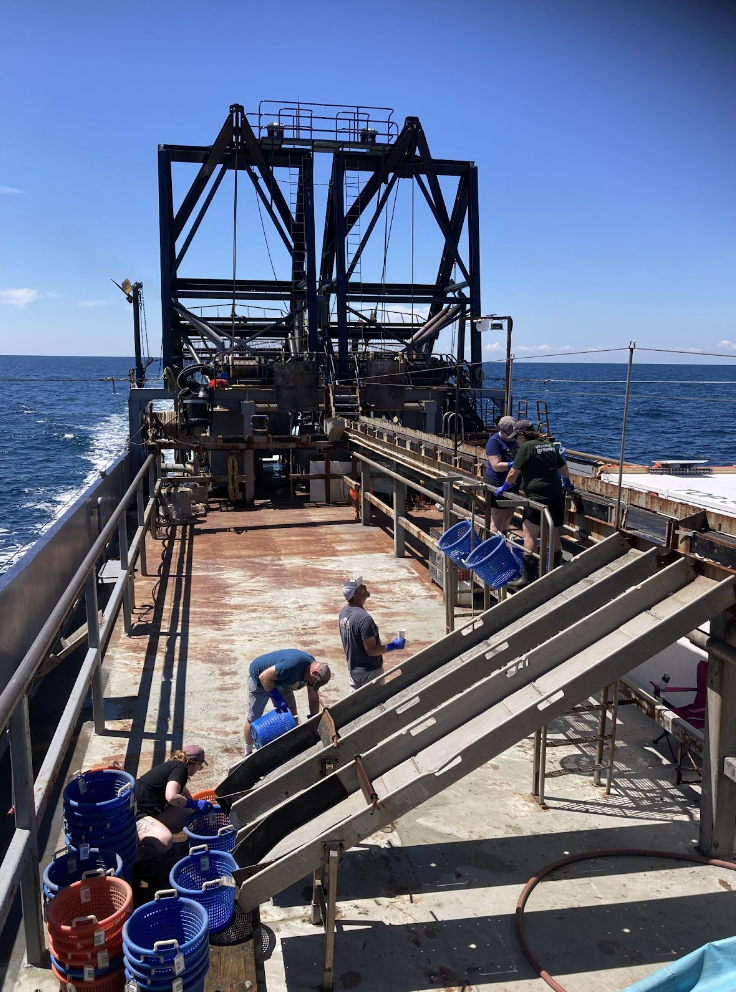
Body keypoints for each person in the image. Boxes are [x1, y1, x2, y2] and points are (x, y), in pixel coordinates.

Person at [494, 420, 574, 588]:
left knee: (529, 535)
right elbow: (563, 466)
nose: (516, 441)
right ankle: (554, 573)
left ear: (522, 434)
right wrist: (566, 482)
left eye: (517, 437)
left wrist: (505, 487)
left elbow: (513, 472)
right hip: (556, 496)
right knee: (554, 533)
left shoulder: (526, 447)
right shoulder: (548, 445)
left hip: (537, 497)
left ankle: (527, 579)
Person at [243, 649, 331, 754]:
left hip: (282, 682)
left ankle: (290, 748)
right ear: (314, 672)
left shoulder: (314, 674)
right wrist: (278, 698)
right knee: (252, 718)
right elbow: (264, 677)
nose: (311, 684)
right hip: (260, 681)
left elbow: (313, 699)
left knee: (292, 716)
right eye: (313, 682)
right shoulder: (292, 665)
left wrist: (313, 718)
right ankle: (247, 753)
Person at [134, 744, 210, 860]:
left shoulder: (175, 768)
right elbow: (171, 797)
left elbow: (183, 791)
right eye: (200, 767)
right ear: (195, 764)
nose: (199, 770)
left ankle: (147, 837)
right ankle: (132, 857)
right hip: (134, 813)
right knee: (165, 840)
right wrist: (194, 804)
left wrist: (195, 807)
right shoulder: (180, 768)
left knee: (187, 817)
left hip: (148, 810)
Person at [339, 576, 406, 692]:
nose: (364, 587)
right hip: (370, 673)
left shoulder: (343, 612)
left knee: (356, 706)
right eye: (360, 588)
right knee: (376, 706)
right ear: (354, 595)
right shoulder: (364, 619)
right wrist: (393, 646)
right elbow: (371, 650)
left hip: (354, 670)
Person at [484, 416, 519, 534]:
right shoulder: (494, 442)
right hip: (497, 483)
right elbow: (496, 466)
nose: (513, 438)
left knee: (507, 519)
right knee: (496, 523)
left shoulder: (515, 440)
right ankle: (493, 548)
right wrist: (513, 464)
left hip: (512, 483)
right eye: (510, 435)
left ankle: (502, 544)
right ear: (502, 431)